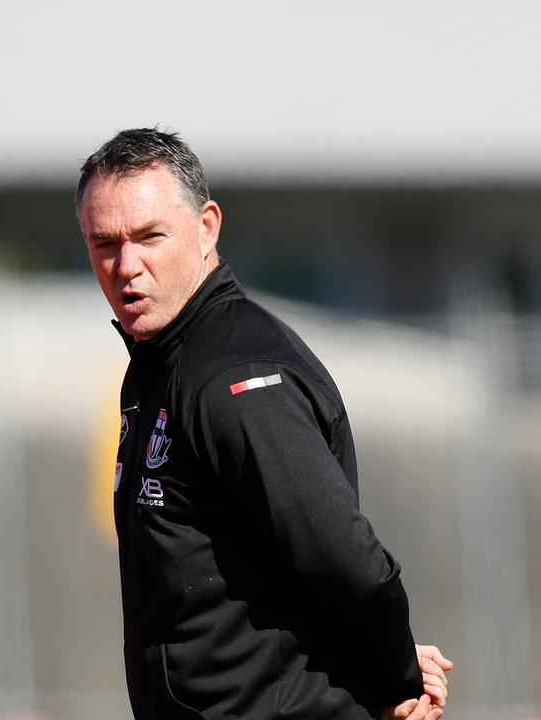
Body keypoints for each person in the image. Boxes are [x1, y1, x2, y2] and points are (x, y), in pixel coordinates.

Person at [76, 128, 452, 719]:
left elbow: (344, 563)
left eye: (150, 237)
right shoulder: (159, 363)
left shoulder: (236, 376)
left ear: (206, 228)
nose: (127, 266)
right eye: (105, 243)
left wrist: (397, 680)